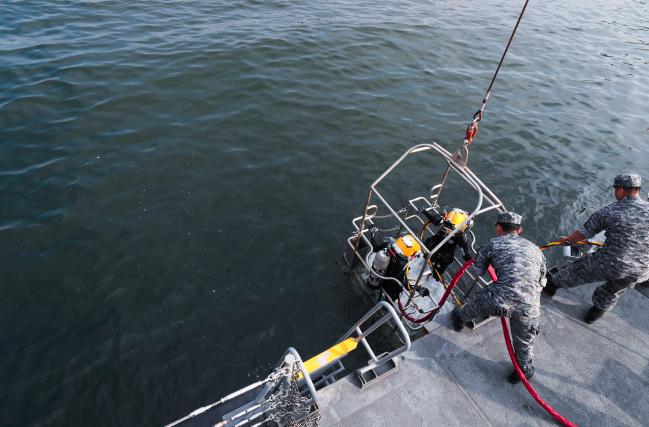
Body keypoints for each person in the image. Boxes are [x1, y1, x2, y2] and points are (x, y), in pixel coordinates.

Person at [451, 211, 547, 384]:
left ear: (499, 227)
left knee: (473, 305)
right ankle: (523, 370)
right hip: (530, 306)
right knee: (524, 342)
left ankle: (459, 318)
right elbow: (542, 282)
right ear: (519, 230)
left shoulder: (493, 244)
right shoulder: (535, 249)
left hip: (500, 300)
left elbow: (477, 271)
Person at [543, 173, 649, 323]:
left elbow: (583, 233)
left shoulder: (611, 211)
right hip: (643, 270)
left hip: (611, 262)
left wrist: (567, 241)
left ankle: (550, 286)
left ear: (620, 190)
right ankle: (594, 315)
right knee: (613, 291)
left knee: (574, 272)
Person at [420, 207, 472, 275]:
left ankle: (435, 276)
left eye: (451, 227)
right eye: (446, 224)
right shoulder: (444, 219)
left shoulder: (460, 236)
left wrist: (473, 261)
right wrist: (424, 211)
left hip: (445, 254)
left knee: (439, 268)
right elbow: (435, 219)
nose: (447, 228)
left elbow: (465, 254)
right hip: (434, 243)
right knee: (424, 256)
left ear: (461, 228)